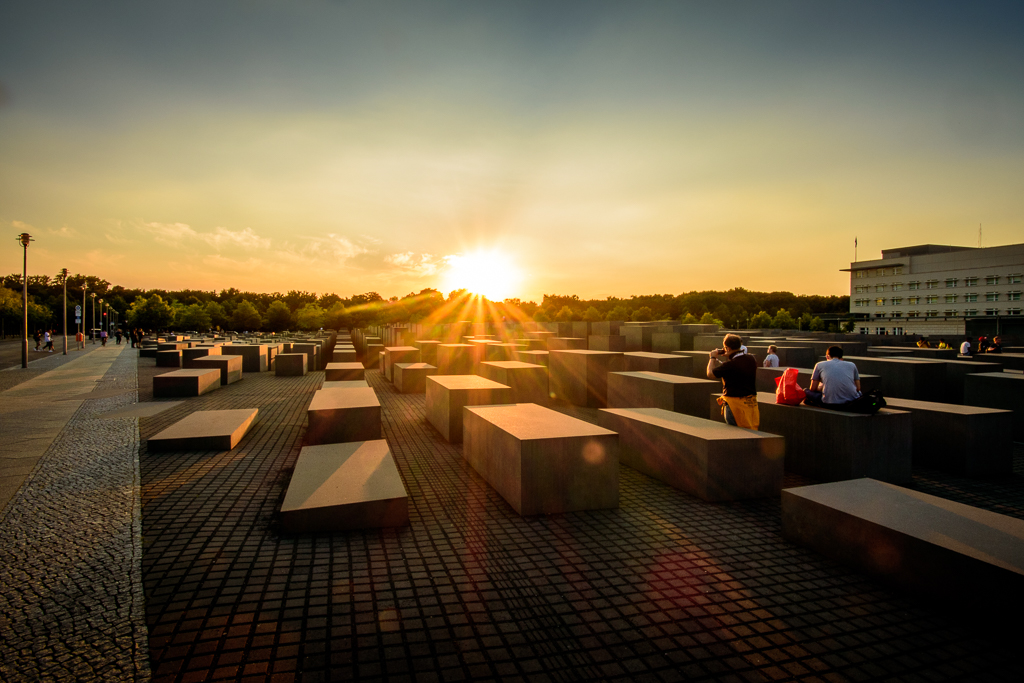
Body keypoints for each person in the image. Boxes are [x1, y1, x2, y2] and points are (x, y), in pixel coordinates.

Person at [707, 334, 759, 429]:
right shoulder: (751, 359)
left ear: (728, 348)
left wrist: (713, 358)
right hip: (750, 404)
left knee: (735, 434)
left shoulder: (730, 365)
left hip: (734, 406)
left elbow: (710, 374)